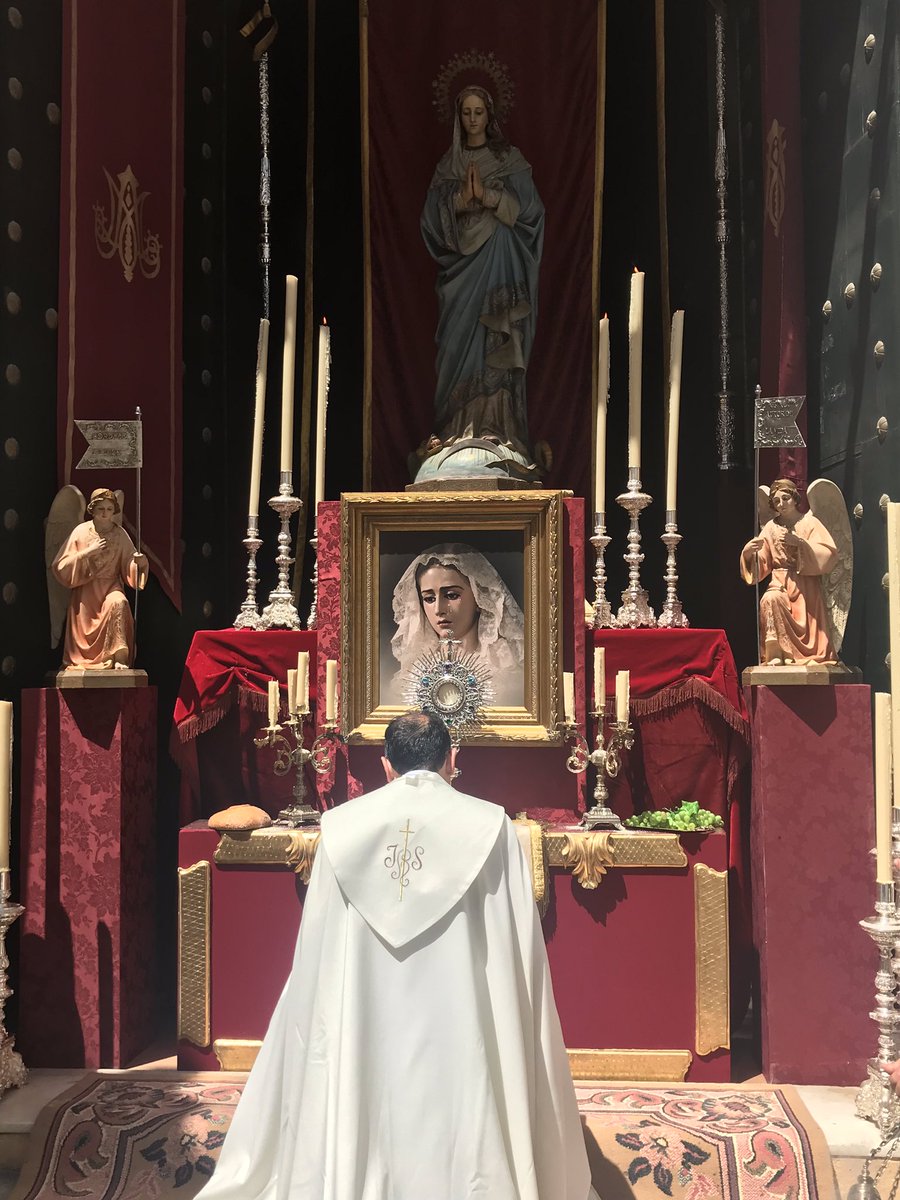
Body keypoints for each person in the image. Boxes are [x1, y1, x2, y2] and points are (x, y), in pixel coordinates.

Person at [197, 712, 595, 1200]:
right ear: (453, 760)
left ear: (386, 767)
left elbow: (318, 951)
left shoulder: (341, 826)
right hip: (463, 1020)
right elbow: (518, 952)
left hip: (363, 1022)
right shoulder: (492, 827)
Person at [419, 85, 544, 474]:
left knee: (498, 341)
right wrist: (458, 200)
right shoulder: (447, 166)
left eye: (479, 112)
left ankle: (499, 429)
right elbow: (428, 222)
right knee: (457, 347)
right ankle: (456, 432)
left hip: (499, 261)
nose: (473, 120)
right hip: (461, 275)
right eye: (466, 113)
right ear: (458, 118)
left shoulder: (510, 160)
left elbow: (532, 213)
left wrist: (489, 197)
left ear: (489, 115)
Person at [389, 543, 525, 704]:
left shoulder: (507, 668)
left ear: (479, 598)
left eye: (452, 595)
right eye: (429, 599)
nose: (439, 609)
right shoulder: (412, 674)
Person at [739, 478, 838, 665]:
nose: (781, 504)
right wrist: (748, 553)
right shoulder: (770, 527)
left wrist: (800, 544)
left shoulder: (810, 523)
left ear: (794, 498)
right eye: (776, 501)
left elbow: (828, 554)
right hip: (779, 579)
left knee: (805, 623)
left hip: (805, 585)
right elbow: (761, 564)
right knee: (770, 599)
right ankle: (776, 653)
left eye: (785, 498)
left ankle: (806, 654)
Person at [51, 488, 148, 669]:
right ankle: (87, 658)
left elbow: (129, 562)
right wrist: (88, 552)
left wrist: (140, 563)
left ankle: (119, 656)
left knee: (119, 603)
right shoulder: (81, 531)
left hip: (110, 585)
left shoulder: (120, 534)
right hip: (86, 592)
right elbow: (61, 566)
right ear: (93, 509)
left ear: (114, 511)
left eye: (109, 509)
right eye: (101, 509)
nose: (105, 513)